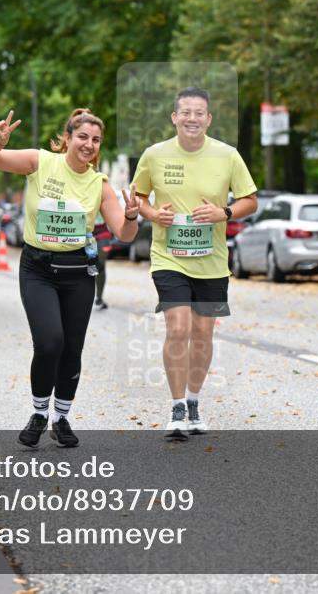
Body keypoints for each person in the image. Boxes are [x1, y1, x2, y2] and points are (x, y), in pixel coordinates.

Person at [0, 109, 140, 448]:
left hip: (78, 273)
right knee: (50, 342)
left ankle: (61, 418)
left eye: (96, 140)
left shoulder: (100, 184)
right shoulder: (40, 162)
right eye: (82, 137)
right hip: (38, 269)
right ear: (67, 138)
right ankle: (39, 413)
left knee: (71, 348)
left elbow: (123, 234)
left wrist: (131, 216)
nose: (89, 144)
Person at [132, 86, 257, 440]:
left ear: (208, 119)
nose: (192, 118)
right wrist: (153, 214)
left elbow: (250, 200)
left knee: (203, 333)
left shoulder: (227, 155)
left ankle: (193, 401)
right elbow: (138, 197)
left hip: (211, 260)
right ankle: (176, 408)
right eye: (185, 112)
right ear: (174, 117)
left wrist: (223, 213)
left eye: (198, 113)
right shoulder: (154, 155)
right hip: (168, 257)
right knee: (178, 328)